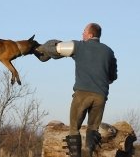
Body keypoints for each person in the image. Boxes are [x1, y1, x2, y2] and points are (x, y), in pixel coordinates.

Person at [33, 23, 118, 157]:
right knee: (93, 129)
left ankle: (75, 155)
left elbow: (53, 48)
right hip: (101, 96)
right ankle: (89, 153)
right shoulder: (109, 51)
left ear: (90, 35)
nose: (82, 33)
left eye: (84, 31)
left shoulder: (78, 46)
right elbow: (113, 77)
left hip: (82, 94)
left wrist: (39, 49)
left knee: (74, 128)